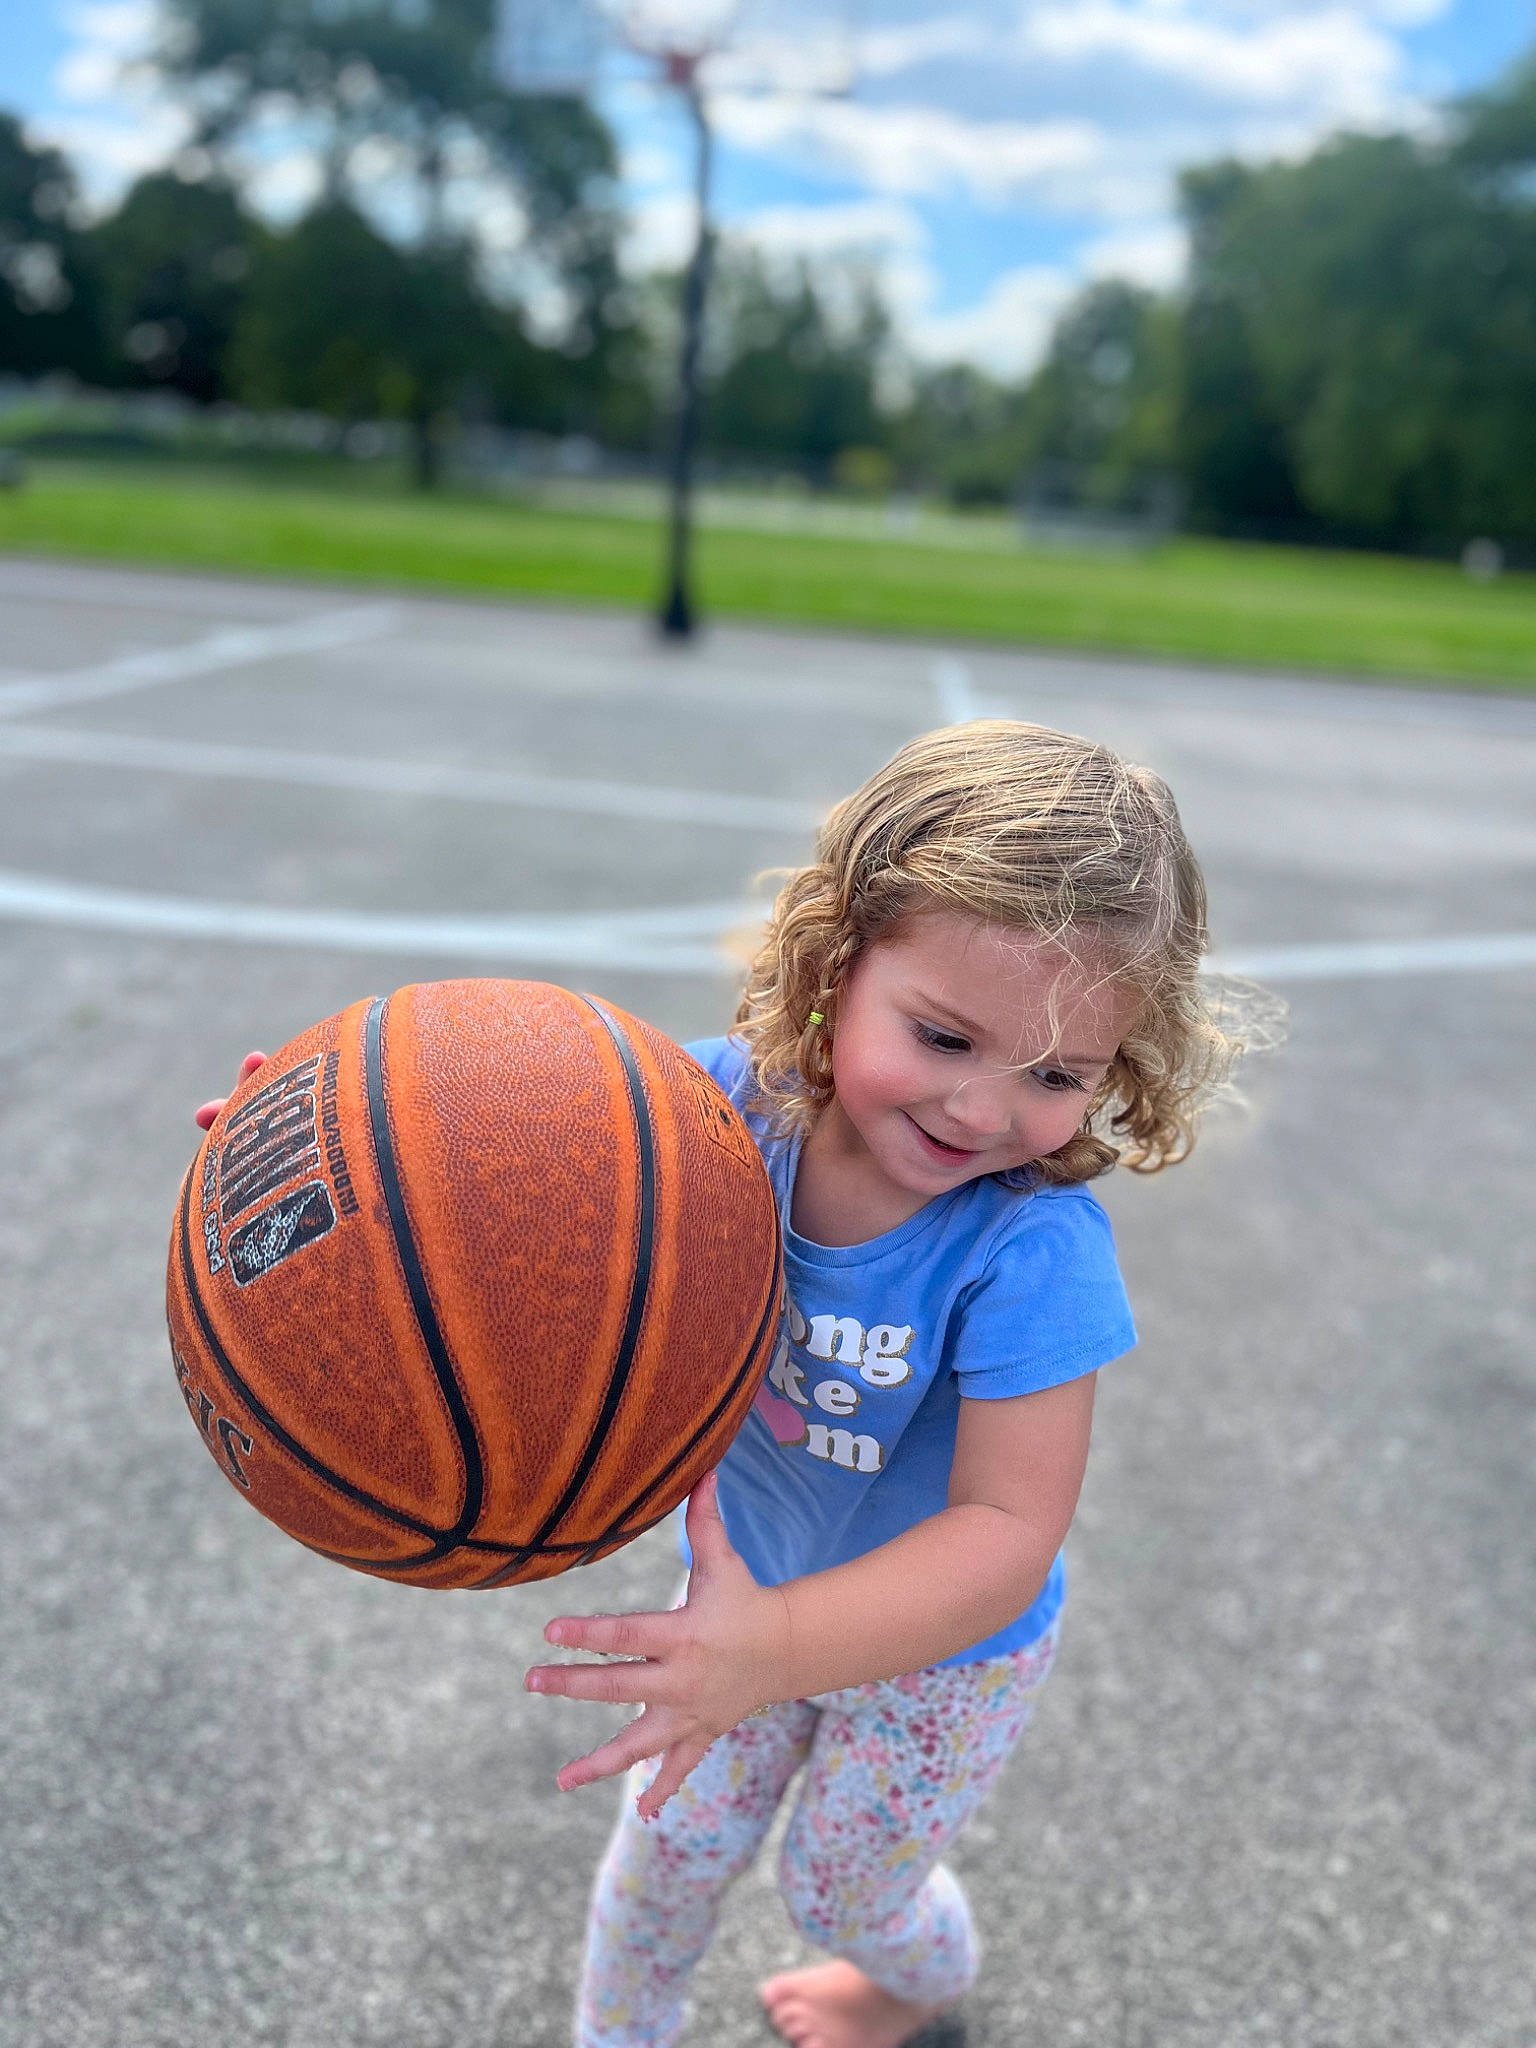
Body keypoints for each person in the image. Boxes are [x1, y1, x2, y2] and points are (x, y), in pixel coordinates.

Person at [196, 721, 1257, 2048]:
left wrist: (781, 1651)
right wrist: (317, 1169)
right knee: (664, 1853)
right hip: (744, 1594)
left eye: (1056, 1076)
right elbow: (470, 1181)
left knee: (838, 1891)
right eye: (941, 1036)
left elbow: (1006, 1533)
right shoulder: (699, 1121)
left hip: (941, 1662)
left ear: (1121, 1068)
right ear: (839, 960)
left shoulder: (1029, 1247)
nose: (986, 1111)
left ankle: (916, 1986)